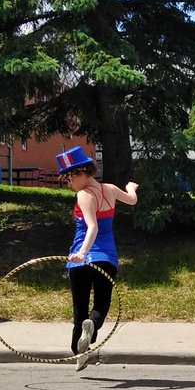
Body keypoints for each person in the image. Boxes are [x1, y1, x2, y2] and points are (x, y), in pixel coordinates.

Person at [58, 147, 138, 371]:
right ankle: (92, 326)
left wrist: (82, 253)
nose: (68, 183)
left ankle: (78, 352)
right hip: (107, 258)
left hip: (81, 259)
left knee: (79, 309)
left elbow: (91, 227)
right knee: (102, 303)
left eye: (69, 178)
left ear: (81, 173)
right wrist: (131, 188)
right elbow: (132, 200)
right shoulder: (110, 190)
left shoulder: (84, 195)